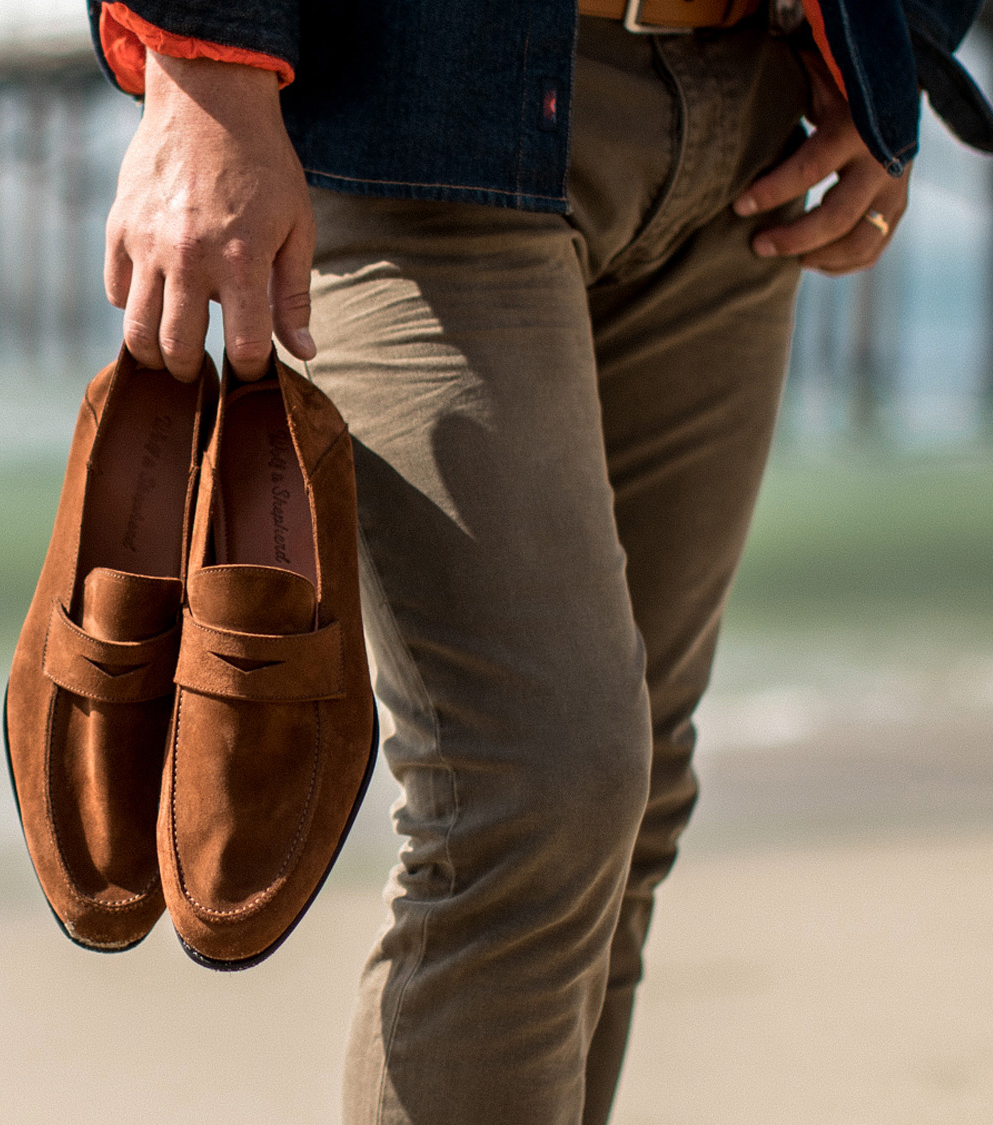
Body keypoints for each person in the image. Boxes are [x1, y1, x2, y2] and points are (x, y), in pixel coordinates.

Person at [87, 1, 993, 1122]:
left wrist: (894, 39)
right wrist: (197, 62)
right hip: (428, 102)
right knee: (538, 793)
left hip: (750, 110)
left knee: (629, 808)